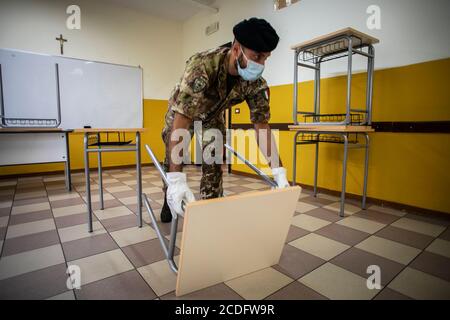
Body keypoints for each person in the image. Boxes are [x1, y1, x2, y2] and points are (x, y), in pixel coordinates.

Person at [160, 17, 290, 223]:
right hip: (182, 114)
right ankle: (169, 197)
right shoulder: (203, 65)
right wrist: (176, 180)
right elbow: (182, 120)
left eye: (265, 58)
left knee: (213, 165)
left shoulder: (255, 84)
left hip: (211, 117)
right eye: (256, 56)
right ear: (236, 49)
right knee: (172, 160)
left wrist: (278, 170)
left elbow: (262, 127)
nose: (261, 64)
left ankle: (211, 212)